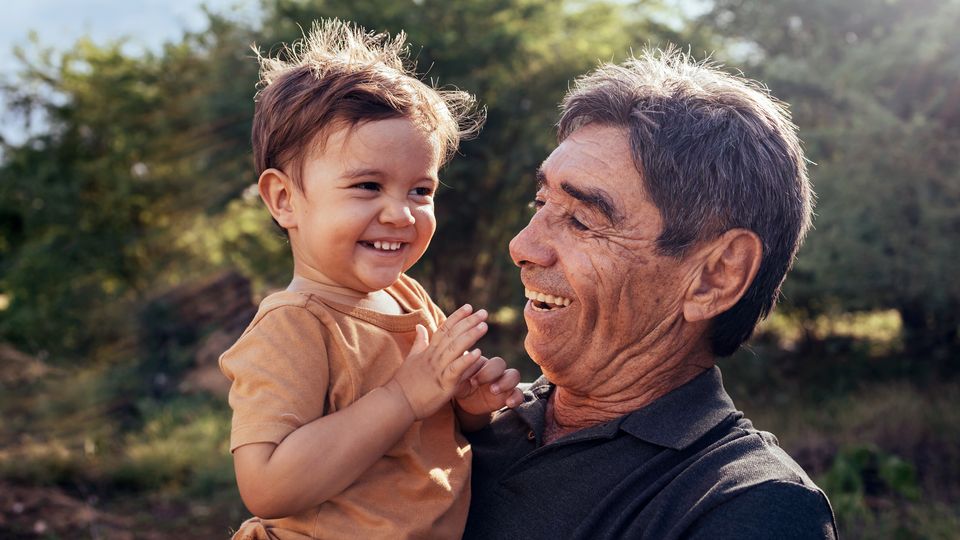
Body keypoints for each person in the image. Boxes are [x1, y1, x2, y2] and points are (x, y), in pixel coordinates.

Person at [464, 49, 839, 539]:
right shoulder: (466, 417)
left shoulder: (750, 506)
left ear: (715, 276)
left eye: (582, 220)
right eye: (540, 202)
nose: (522, 246)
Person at [219, 20, 523, 539]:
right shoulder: (294, 326)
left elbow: (426, 431)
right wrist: (404, 396)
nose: (401, 214)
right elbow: (267, 486)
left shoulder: (409, 298)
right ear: (284, 200)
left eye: (420, 191)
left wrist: (467, 407)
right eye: (367, 185)